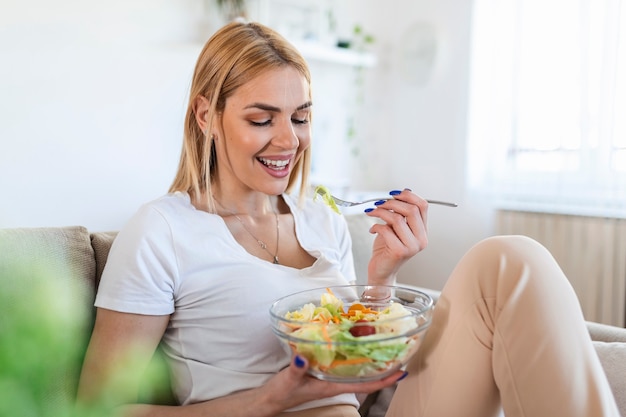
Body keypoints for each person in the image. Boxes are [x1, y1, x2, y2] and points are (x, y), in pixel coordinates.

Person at [76, 21, 620, 417]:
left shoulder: (321, 221)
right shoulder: (161, 231)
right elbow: (96, 409)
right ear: (205, 116)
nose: (288, 141)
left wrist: (381, 278)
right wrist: (269, 399)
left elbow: (355, 385)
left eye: (301, 117)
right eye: (261, 119)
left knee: (509, 259)